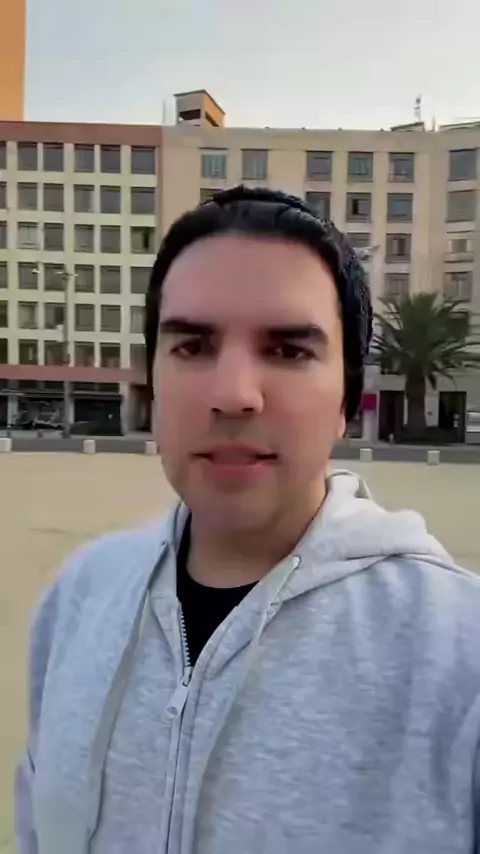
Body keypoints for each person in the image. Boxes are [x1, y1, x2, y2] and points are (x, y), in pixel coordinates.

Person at [16, 185, 480, 854]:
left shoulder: (458, 652)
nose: (234, 394)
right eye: (192, 346)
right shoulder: (78, 600)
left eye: (288, 351)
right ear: (154, 380)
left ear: (346, 398)